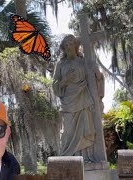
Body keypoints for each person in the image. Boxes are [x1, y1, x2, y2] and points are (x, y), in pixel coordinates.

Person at [52, 34, 106, 162]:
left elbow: (97, 80)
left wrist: (97, 73)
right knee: (68, 132)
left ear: (76, 46)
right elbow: (55, 85)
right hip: (68, 102)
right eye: (66, 46)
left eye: (71, 44)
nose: (68, 47)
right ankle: (67, 159)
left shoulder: (84, 62)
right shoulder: (60, 64)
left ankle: (85, 158)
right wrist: (65, 80)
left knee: (85, 129)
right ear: (63, 49)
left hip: (83, 99)